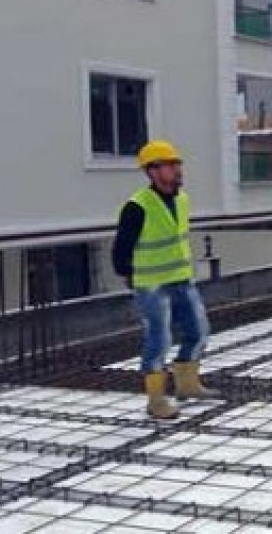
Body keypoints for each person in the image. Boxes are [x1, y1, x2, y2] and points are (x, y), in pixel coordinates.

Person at [112, 140, 217, 420]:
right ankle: (156, 400)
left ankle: (187, 384)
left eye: (177, 164)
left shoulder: (182, 200)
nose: (177, 169)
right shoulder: (137, 206)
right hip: (152, 284)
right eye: (170, 165)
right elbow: (121, 250)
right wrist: (130, 276)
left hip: (181, 278)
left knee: (199, 330)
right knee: (159, 339)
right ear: (153, 171)